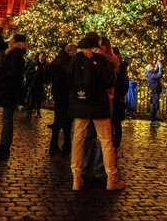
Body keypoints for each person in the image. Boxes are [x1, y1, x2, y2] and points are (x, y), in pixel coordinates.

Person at [68, 33, 125, 191]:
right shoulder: (101, 59)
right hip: (99, 105)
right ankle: (111, 178)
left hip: (80, 105)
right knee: (106, 141)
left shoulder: (76, 58)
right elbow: (110, 81)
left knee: (77, 141)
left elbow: (69, 78)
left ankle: (76, 178)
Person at [0, 34, 27, 159]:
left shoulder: (15, 55)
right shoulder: (15, 54)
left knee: (7, 119)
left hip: (10, 91)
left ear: (15, 41)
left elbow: (14, 73)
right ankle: (3, 146)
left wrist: (2, 75)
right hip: (9, 90)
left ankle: (4, 147)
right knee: (6, 119)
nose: (9, 40)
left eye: (12, 39)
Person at [48, 43, 74, 156]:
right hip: (63, 93)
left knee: (63, 119)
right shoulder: (64, 60)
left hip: (59, 92)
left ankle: (65, 144)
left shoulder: (59, 58)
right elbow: (69, 74)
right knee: (63, 119)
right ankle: (58, 145)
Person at [111, 47, 129, 149]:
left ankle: (116, 144)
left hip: (117, 100)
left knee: (116, 124)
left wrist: (119, 96)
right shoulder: (118, 71)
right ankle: (112, 143)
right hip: (115, 99)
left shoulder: (122, 73)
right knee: (112, 123)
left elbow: (124, 87)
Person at [144, 60, 163, 127]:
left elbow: (156, 70)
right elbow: (159, 75)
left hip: (155, 91)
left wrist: (158, 64)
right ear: (150, 68)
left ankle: (154, 119)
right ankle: (152, 121)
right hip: (155, 91)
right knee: (155, 106)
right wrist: (160, 67)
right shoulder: (150, 74)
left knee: (156, 106)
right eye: (152, 67)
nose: (154, 67)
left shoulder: (150, 73)